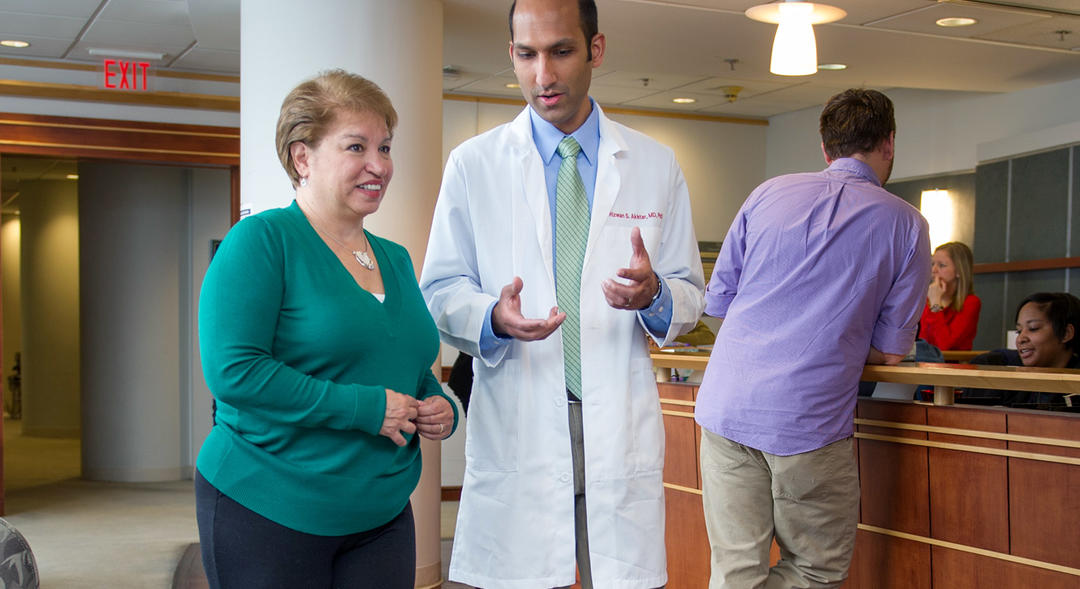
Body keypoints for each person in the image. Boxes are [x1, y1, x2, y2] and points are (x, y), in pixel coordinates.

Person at [419, 0, 707, 586]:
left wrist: (654, 296)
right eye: (526, 55)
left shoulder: (654, 165)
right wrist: (493, 319)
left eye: (560, 51)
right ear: (512, 55)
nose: (542, 75)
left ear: (595, 50)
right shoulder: (475, 165)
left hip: (616, 426)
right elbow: (440, 291)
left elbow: (691, 297)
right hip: (520, 420)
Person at [193, 70, 461, 589]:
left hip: (380, 512)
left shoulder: (397, 260)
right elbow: (235, 372)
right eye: (356, 147)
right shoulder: (261, 242)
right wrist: (366, 409)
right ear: (302, 157)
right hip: (268, 504)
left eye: (385, 147)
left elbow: (408, 366)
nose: (379, 165)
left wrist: (437, 406)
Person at [695, 88, 929, 589]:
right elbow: (891, 350)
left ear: (825, 148)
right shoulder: (908, 225)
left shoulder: (767, 193)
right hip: (811, 420)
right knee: (816, 568)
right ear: (889, 143)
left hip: (727, 408)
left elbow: (716, 304)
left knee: (736, 570)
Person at [966, 292, 1080, 409]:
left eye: (1033, 328)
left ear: (1066, 333)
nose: (1020, 339)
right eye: (1018, 331)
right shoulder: (1001, 367)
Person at [919, 241, 980, 351]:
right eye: (933, 264)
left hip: (953, 365)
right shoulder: (926, 301)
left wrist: (936, 304)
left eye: (941, 265)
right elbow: (922, 343)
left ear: (959, 271)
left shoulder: (971, 303)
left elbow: (944, 345)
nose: (934, 270)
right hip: (924, 364)